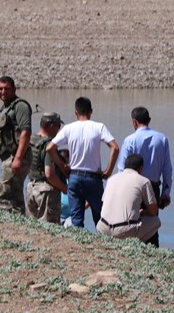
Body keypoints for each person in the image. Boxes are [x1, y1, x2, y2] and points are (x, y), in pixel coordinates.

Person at [47, 97, 119, 229]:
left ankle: (79, 245)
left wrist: (63, 166)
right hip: (93, 178)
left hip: (74, 176)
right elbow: (115, 147)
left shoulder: (69, 128)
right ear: (91, 111)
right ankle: (101, 245)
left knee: (76, 219)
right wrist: (108, 171)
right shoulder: (99, 127)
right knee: (100, 218)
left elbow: (50, 148)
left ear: (75, 112)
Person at [115, 106, 172, 247]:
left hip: (132, 187)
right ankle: (153, 253)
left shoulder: (130, 140)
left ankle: (132, 251)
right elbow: (167, 169)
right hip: (153, 187)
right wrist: (166, 192)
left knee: (130, 222)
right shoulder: (162, 139)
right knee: (152, 225)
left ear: (134, 122)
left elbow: (121, 169)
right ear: (149, 120)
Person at [0, 76, 32, 214]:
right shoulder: (5, 107)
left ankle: (2, 226)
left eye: (6, 89)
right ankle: (19, 225)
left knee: (2, 197)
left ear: (14, 89)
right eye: (0, 89)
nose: (3, 92)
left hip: (17, 156)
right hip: (9, 157)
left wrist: (18, 158)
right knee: (15, 196)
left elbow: (26, 132)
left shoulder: (20, 106)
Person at [97, 154, 161, 243]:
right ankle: (133, 244)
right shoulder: (143, 181)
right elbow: (153, 211)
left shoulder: (111, 179)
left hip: (102, 227)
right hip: (122, 231)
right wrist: (143, 212)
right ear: (140, 168)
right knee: (155, 221)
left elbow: (104, 202)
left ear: (125, 166)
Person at [26, 112, 68, 223]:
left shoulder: (31, 140)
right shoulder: (48, 145)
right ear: (51, 126)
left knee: (31, 228)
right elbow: (49, 174)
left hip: (31, 187)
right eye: (58, 126)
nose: (58, 130)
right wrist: (64, 188)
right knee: (50, 229)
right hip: (46, 192)